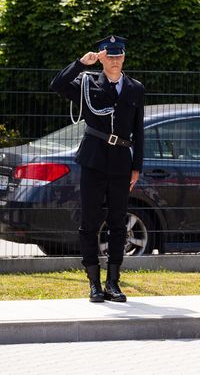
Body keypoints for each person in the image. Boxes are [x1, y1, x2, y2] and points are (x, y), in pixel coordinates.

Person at [50, 35, 144, 303]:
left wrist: (137, 165)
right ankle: (94, 282)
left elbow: (138, 130)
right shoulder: (88, 83)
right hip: (93, 159)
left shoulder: (135, 88)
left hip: (121, 162)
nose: (114, 60)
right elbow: (57, 84)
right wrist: (81, 63)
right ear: (102, 57)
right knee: (89, 222)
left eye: (118, 56)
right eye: (109, 56)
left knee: (118, 222)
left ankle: (113, 283)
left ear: (124, 57)